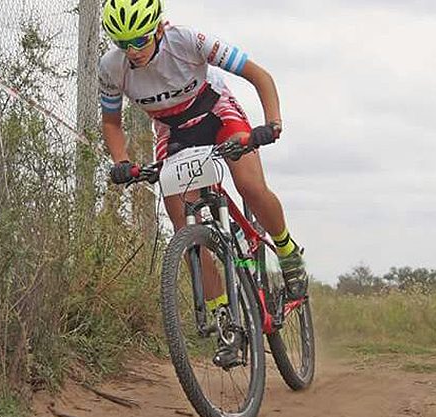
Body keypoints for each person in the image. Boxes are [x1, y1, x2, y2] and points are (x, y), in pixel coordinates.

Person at [99, 0, 306, 314]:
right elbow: (112, 122)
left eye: (140, 40)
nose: (133, 51)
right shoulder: (111, 67)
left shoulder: (185, 40)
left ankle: (287, 249)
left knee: (249, 184)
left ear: (157, 28)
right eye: (122, 43)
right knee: (183, 224)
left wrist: (272, 124)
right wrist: (121, 162)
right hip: (174, 131)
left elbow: (259, 75)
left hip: (216, 113)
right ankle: (223, 314)